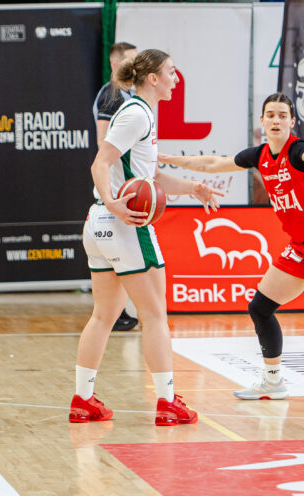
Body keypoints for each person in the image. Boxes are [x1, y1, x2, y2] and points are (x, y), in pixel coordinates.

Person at [158, 92, 304, 407]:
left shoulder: (298, 150)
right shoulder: (259, 155)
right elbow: (213, 163)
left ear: (292, 122)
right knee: (259, 308)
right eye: (271, 115)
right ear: (262, 121)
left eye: (282, 115)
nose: (276, 120)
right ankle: (273, 381)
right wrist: (169, 159)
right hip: (300, 246)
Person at [70, 49, 222, 425]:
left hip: (99, 224)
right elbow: (100, 162)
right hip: (124, 223)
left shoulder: (141, 114)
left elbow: (149, 176)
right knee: (154, 316)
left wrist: (193, 188)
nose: (176, 78)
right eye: (171, 71)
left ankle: (82, 400)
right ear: (152, 78)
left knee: (103, 315)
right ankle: (167, 402)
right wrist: (114, 202)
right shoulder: (137, 114)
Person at [93, 41, 139, 331]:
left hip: (124, 181)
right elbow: (103, 144)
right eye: (132, 60)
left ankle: (119, 311)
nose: (137, 66)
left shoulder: (129, 94)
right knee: (117, 250)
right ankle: (117, 311)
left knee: (121, 249)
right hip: (114, 185)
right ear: (115, 64)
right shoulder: (111, 95)